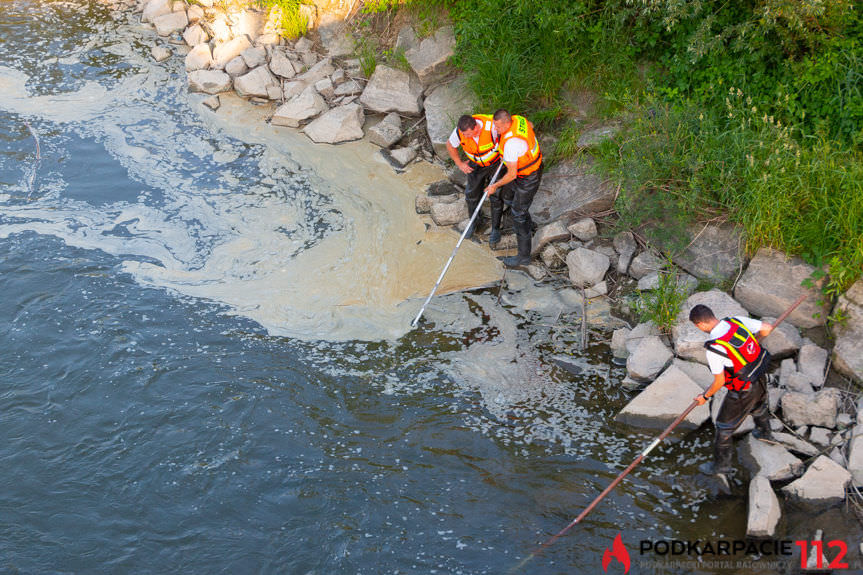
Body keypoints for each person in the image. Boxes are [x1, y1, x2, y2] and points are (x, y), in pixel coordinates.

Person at [690, 304, 775, 484]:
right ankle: (765, 433)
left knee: (724, 427)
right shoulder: (736, 321)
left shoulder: (715, 348)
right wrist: (755, 341)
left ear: (700, 325)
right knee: (760, 405)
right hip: (759, 375)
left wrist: (705, 397)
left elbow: (719, 381)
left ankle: (722, 467)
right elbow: (767, 328)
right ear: (713, 315)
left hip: (743, 389)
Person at [484, 109, 543, 268]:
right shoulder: (519, 120)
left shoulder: (511, 144)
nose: (496, 130)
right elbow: (530, 125)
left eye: (498, 127)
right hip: (530, 167)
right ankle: (529, 226)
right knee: (508, 197)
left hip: (528, 177)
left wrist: (494, 186)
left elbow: (511, 175)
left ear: (507, 123)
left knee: (518, 215)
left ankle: (523, 258)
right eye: (494, 126)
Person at [445, 114, 502, 241]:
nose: (465, 137)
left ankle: (496, 229)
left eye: (468, 135)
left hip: (495, 164)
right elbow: (450, 145)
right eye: (464, 135)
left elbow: (509, 129)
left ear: (476, 128)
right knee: (471, 195)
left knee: (495, 196)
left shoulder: (492, 127)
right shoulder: (460, 132)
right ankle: (475, 222)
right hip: (475, 165)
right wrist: (459, 163)